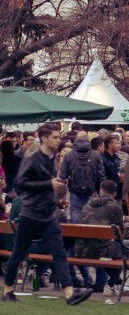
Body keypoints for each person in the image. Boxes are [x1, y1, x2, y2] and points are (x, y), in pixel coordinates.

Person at [1, 123, 92, 305]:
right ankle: (8, 289)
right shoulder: (33, 158)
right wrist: (48, 184)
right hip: (31, 213)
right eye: (55, 137)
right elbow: (21, 183)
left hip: (48, 213)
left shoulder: (53, 158)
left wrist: (54, 186)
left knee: (59, 252)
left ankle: (69, 294)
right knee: (18, 252)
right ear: (44, 138)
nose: (59, 140)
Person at [75, 180, 124, 296]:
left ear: (100, 191)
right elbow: (121, 233)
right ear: (115, 193)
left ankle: (102, 281)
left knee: (101, 243)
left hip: (80, 250)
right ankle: (110, 283)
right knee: (122, 248)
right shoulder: (115, 208)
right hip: (100, 251)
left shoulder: (87, 205)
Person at [59, 135, 105, 224]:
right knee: (93, 217)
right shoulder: (95, 155)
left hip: (75, 192)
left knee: (75, 215)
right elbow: (101, 176)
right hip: (92, 192)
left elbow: (63, 176)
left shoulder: (69, 155)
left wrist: (63, 195)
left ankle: (77, 236)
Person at [102, 134, 123, 203]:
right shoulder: (102, 159)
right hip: (107, 193)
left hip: (118, 192)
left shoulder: (117, 158)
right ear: (109, 145)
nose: (119, 145)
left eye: (119, 143)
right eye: (116, 143)